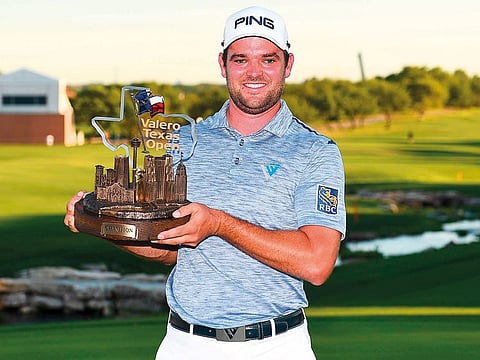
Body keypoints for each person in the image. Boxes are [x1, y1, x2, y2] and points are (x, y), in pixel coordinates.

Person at [64, 6, 346, 360]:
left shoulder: (315, 151)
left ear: (288, 65)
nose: (254, 72)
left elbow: (317, 263)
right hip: (185, 343)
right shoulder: (183, 141)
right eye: (241, 59)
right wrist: (102, 223)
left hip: (276, 345)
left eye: (268, 59)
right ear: (222, 63)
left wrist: (219, 223)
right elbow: (168, 248)